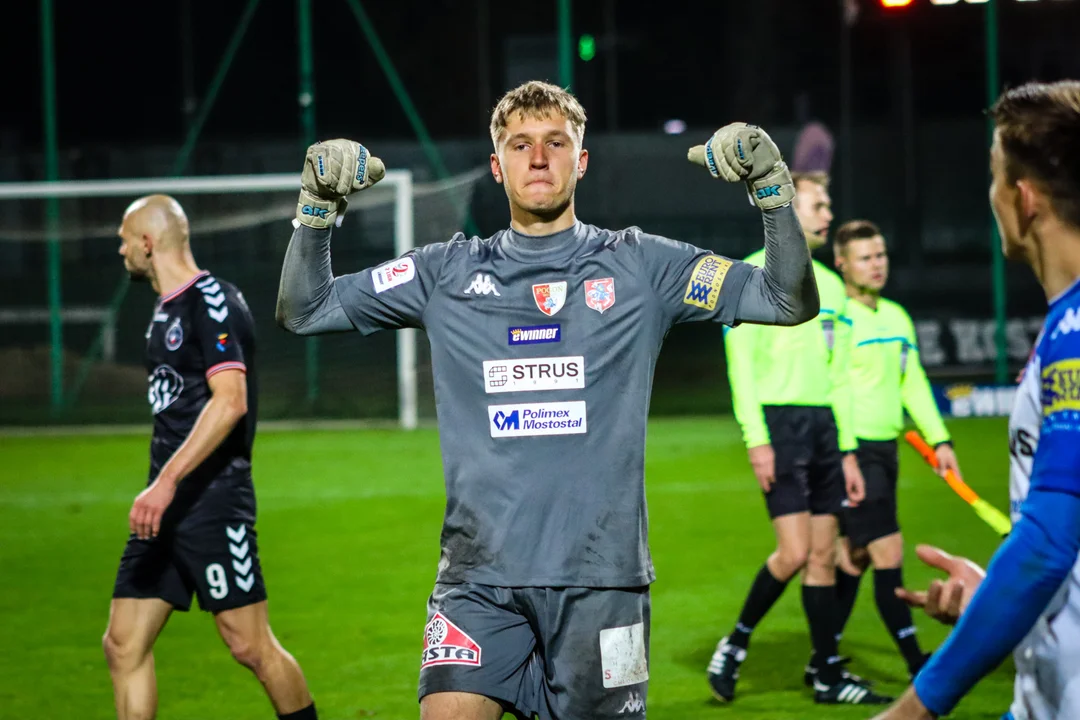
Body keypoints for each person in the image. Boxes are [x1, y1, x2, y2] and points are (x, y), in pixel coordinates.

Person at [277, 80, 820, 720]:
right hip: (477, 580)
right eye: (520, 144)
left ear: (580, 160)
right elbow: (304, 309)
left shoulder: (642, 266)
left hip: (602, 581)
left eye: (556, 143)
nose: (538, 158)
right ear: (496, 164)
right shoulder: (444, 273)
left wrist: (773, 191)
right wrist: (316, 209)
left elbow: (788, 299)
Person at [871, 79, 1080, 720]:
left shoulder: (1074, 331)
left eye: (993, 178)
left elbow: (1050, 539)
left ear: (1022, 200)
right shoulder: (1062, 326)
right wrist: (995, 597)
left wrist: (914, 708)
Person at [106, 195, 317, 720]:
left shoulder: (212, 300)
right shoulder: (163, 311)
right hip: (164, 509)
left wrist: (167, 481)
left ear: (148, 243)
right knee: (123, 645)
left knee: (251, 646)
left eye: (124, 239)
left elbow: (231, 402)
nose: (121, 250)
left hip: (211, 503)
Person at [707, 173, 890, 705]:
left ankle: (827, 674)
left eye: (829, 203)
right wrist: (756, 438)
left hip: (827, 429)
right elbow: (739, 366)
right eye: (817, 204)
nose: (827, 213)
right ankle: (735, 645)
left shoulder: (832, 287)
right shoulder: (748, 274)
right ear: (786, 207)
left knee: (822, 557)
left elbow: (840, 377)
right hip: (780, 426)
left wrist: (850, 448)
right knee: (792, 552)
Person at [827, 219, 962, 680]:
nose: (877, 264)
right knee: (887, 551)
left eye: (881, 255)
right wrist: (845, 452)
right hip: (856, 450)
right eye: (865, 257)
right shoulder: (839, 319)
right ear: (841, 264)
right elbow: (834, 385)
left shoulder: (897, 317)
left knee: (854, 557)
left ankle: (823, 657)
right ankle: (918, 664)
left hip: (886, 449)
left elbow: (914, 383)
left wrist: (939, 438)